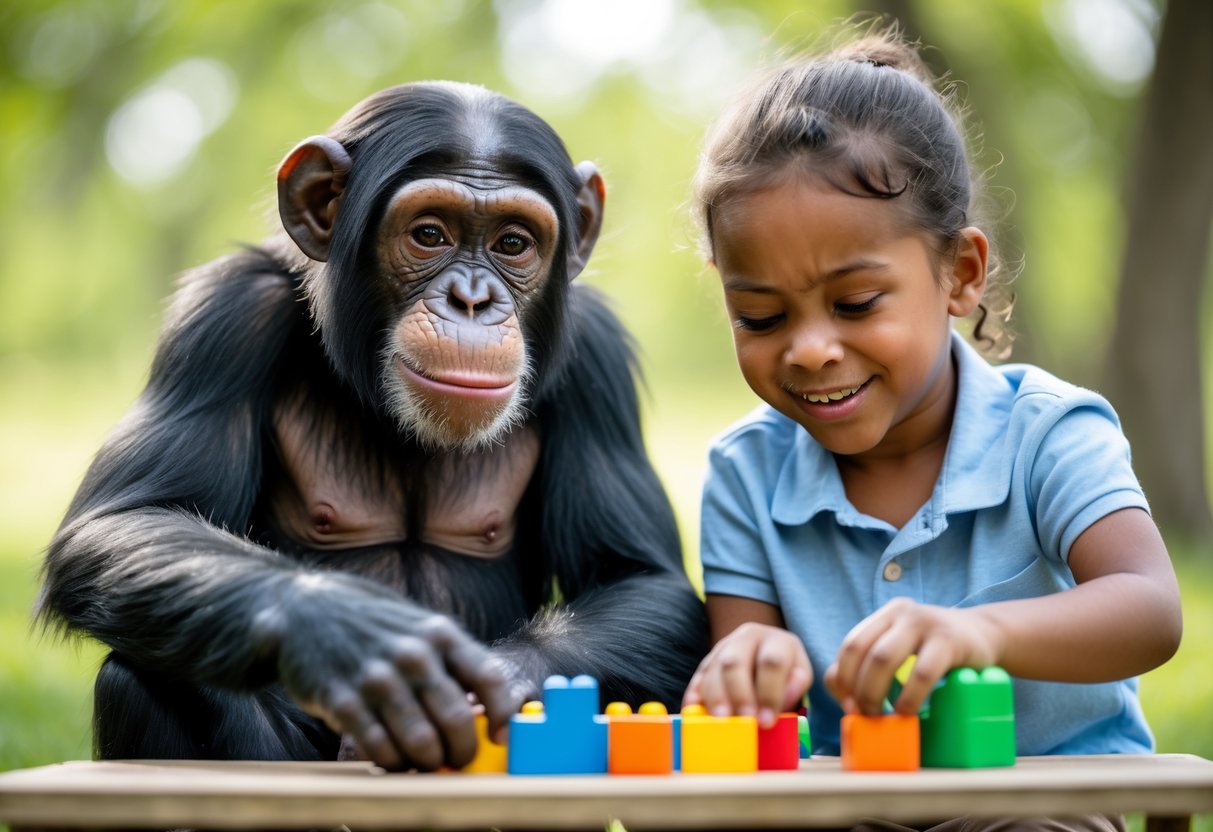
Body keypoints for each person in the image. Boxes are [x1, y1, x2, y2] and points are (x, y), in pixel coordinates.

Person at [682, 23, 1182, 832]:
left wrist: (977, 630)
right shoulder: (745, 472)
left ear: (959, 273)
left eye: (854, 305)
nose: (809, 350)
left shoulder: (1048, 432)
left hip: (1036, 804)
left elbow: (1148, 611)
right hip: (850, 804)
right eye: (761, 315)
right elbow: (750, 687)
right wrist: (749, 668)